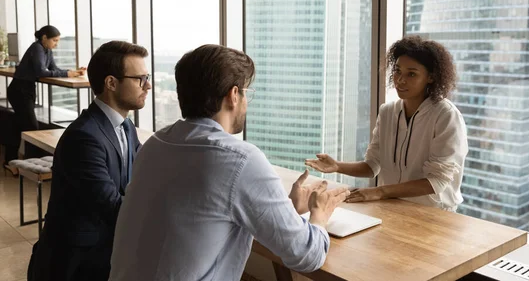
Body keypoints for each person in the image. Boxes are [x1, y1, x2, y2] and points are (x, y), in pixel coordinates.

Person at [108, 44, 349, 281]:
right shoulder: (240, 159)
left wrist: (286, 209)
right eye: (246, 92)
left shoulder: (156, 144)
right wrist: (320, 214)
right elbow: (307, 255)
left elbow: (204, 214)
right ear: (234, 95)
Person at [27, 41, 152, 281]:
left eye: (147, 77)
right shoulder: (84, 137)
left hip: (104, 256)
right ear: (111, 83)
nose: (148, 85)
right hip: (74, 265)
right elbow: (112, 206)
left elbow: (145, 174)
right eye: (140, 79)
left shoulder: (126, 127)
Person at [306, 36, 468, 211]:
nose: (400, 80)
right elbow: (372, 166)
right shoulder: (387, 112)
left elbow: (438, 181)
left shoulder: (446, 116)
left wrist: (379, 191)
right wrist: (337, 166)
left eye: (411, 74)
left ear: (431, 77)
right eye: (398, 71)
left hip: (434, 215)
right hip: (392, 207)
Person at [5, 25, 85, 163]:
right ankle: (32, 162)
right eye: (54, 40)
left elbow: (54, 68)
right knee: (31, 127)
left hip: (27, 90)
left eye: (58, 41)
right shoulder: (37, 48)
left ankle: (10, 161)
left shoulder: (47, 50)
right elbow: (41, 72)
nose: (56, 44)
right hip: (19, 90)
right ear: (44, 38)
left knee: (19, 125)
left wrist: (73, 71)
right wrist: (66, 73)